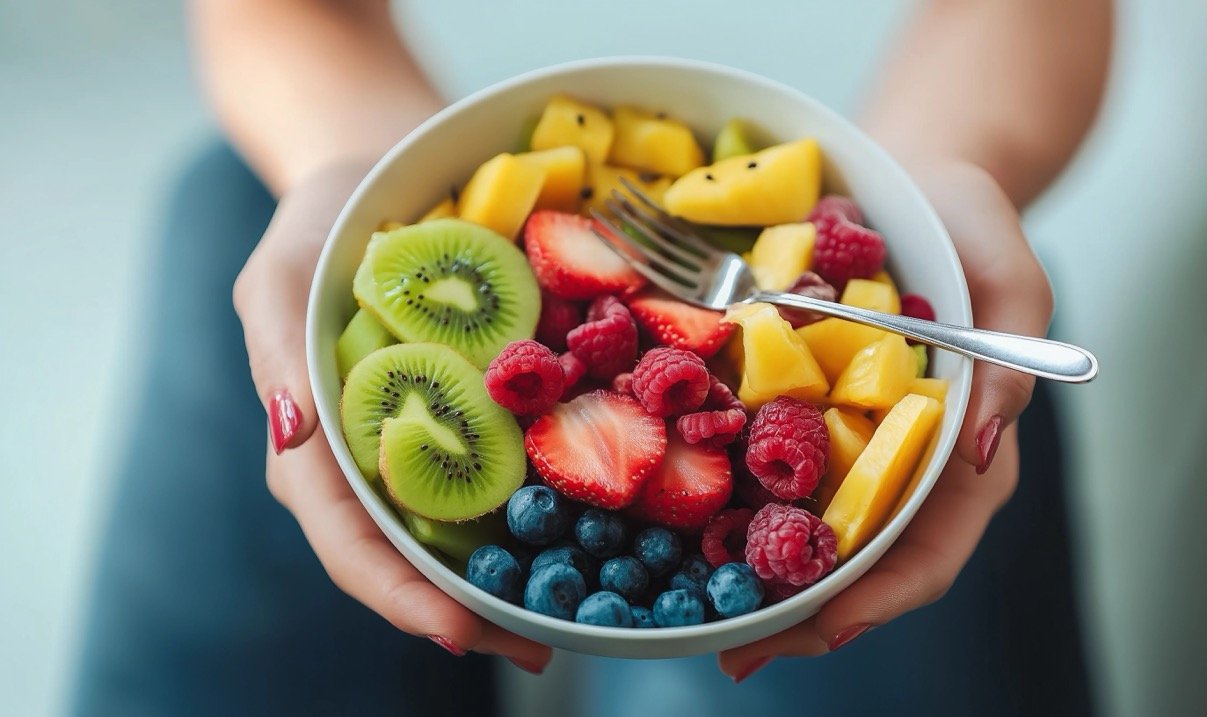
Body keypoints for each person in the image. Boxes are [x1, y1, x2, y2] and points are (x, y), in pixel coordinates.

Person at [73, 1, 1111, 714]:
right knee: (232, 206)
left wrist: (930, 180)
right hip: (395, 117)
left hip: (884, 128)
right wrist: (358, 175)